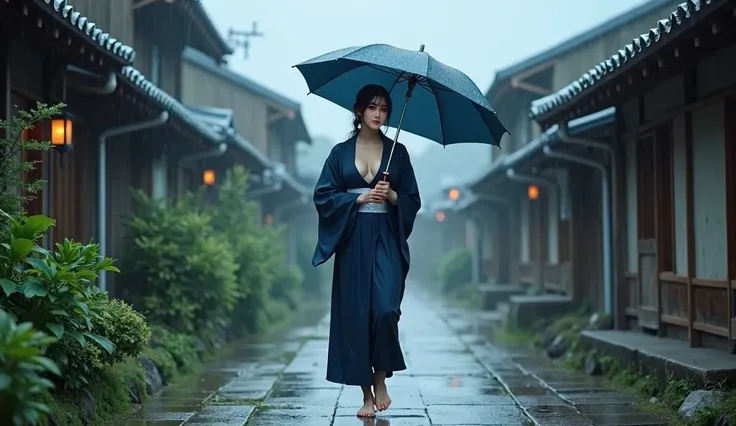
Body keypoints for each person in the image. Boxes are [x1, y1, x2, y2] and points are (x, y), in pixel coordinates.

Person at [312, 84, 421, 418]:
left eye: (384, 109)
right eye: (372, 107)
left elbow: (413, 201)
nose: (378, 114)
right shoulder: (339, 153)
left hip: (386, 237)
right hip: (354, 238)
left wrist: (392, 197)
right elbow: (323, 195)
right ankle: (366, 394)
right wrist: (357, 198)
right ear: (359, 110)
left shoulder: (397, 154)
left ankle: (381, 378)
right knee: (357, 315)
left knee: (386, 310)